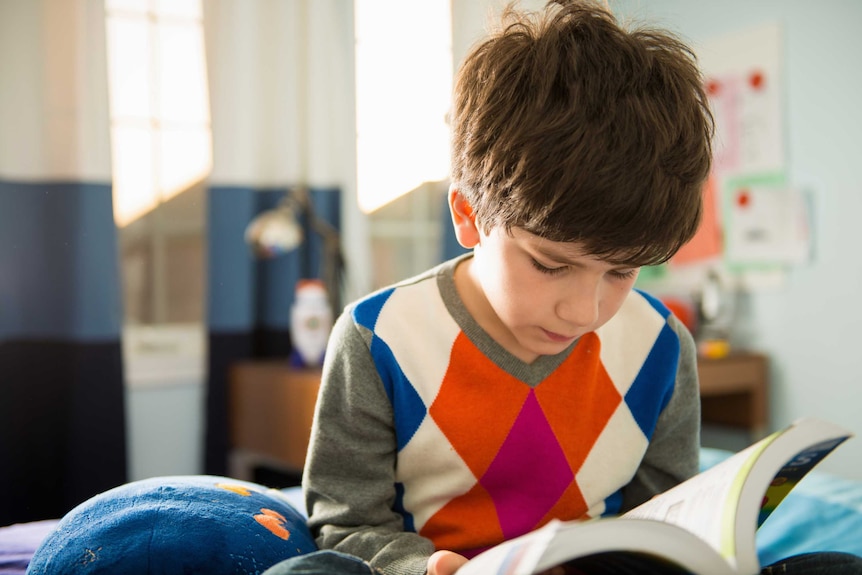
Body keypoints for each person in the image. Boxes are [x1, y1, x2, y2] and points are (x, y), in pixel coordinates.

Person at [262, 1, 862, 574]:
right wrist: (422, 567)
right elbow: (345, 525)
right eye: (550, 265)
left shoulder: (661, 345)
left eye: (622, 272)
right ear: (469, 215)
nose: (585, 311)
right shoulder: (376, 338)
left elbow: (665, 519)